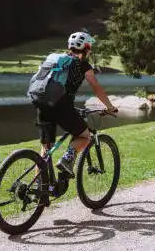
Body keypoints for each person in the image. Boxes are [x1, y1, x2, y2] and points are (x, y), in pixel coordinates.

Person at [35, 31, 117, 177]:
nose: (90, 51)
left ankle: (41, 193)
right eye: (89, 48)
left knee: (45, 150)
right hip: (61, 107)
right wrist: (110, 107)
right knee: (85, 136)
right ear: (86, 48)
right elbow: (96, 87)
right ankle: (66, 160)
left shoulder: (55, 59)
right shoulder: (82, 64)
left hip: (42, 104)